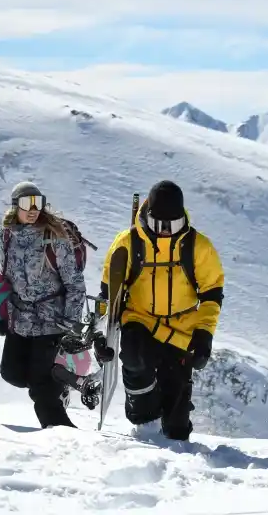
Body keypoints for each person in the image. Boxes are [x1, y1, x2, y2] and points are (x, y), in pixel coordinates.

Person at [99, 180, 224, 440]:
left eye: (174, 225)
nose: (167, 232)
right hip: (139, 319)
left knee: (175, 428)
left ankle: (173, 435)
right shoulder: (128, 243)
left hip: (181, 331)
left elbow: (212, 294)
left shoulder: (198, 247)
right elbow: (107, 297)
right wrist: (101, 335)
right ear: (148, 218)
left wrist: (204, 335)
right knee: (135, 357)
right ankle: (144, 424)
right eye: (160, 226)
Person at [0, 181, 87, 429]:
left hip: (52, 321)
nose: (33, 209)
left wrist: (71, 326)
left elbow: (75, 284)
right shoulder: (8, 234)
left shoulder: (54, 237)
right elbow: (7, 278)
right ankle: (59, 383)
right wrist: (0, 315)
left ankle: (65, 437)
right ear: (15, 206)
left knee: (41, 388)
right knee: (11, 373)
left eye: (38, 203)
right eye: (26, 203)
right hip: (20, 318)